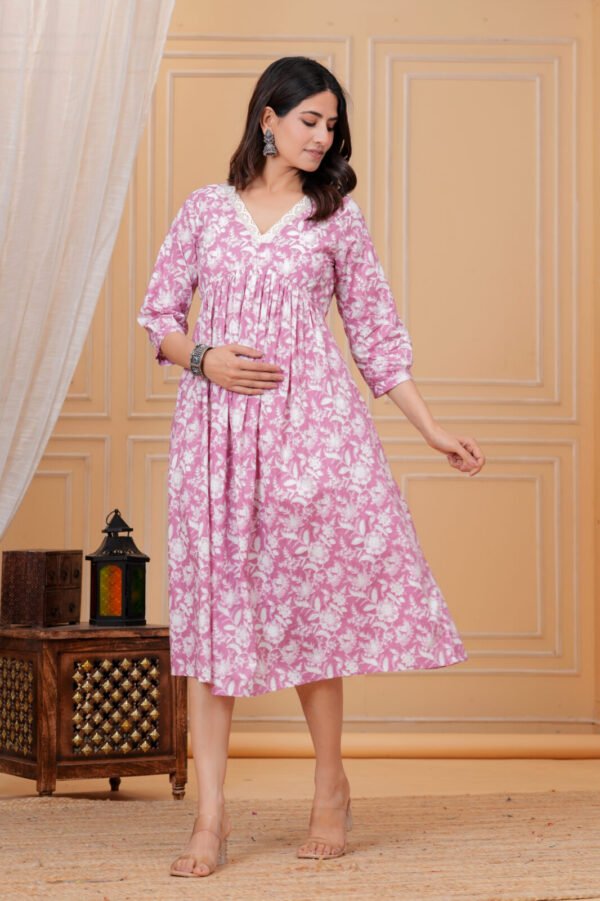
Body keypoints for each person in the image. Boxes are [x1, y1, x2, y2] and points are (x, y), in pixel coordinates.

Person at [138, 55, 485, 878]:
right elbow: (158, 316)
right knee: (214, 619)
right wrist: (206, 358)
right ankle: (210, 816)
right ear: (269, 118)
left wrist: (432, 429)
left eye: (332, 125)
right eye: (310, 120)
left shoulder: (336, 219)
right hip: (216, 439)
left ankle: (330, 784)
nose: (323, 136)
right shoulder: (205, 210)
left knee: (310, 609)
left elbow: (377, 336)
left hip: (312, 435)